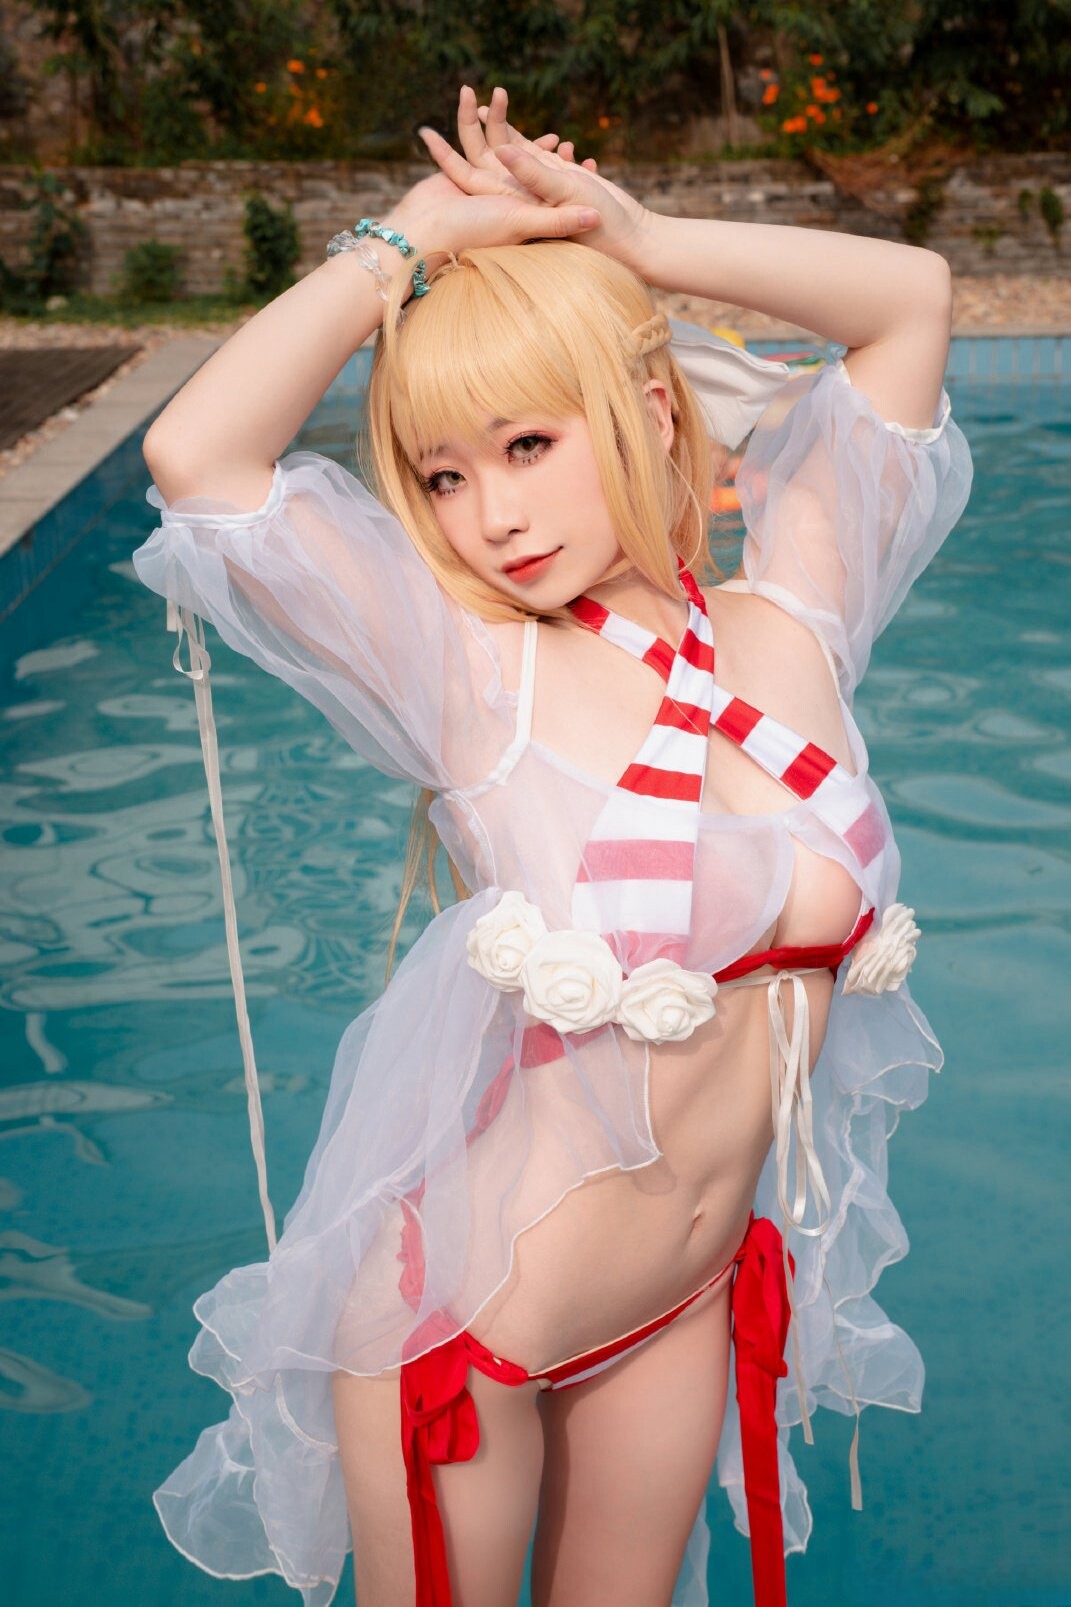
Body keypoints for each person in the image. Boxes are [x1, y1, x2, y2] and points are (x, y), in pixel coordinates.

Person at [131, 84, 973, 1607]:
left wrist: (638, 240)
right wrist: (408, 240)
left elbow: (910, 299)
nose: (489, 518)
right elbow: (198, 454)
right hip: (470, 1322)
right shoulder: (472, 675)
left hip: (677, 1302)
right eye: (444, 476)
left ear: (650, 411)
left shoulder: (791, 623)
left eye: (528, 443)